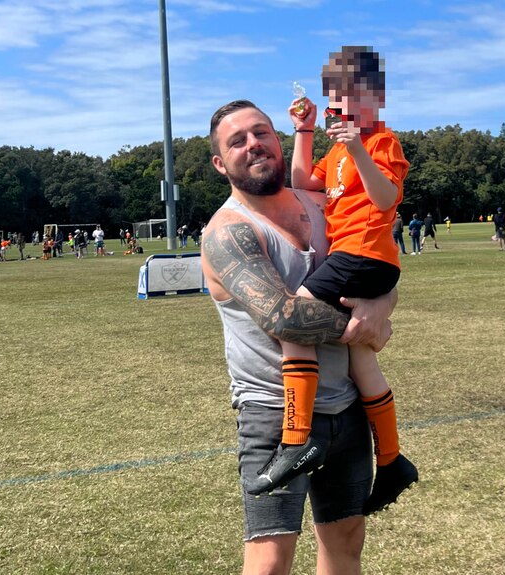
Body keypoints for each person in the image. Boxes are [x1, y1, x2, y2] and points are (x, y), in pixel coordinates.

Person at [202, 99, 397, 574]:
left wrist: (381, 305)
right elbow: (284, 318)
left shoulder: (319, 202)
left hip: (346, 409)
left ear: (276, 138)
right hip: (274, 413)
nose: (253, 145)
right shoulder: (228, 232)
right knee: (270, 560)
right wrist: (361, 327)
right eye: (237, 141)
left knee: (346, 542)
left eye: (261, 132)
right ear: (220, 162)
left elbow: (376, 265)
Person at [268, 46, 416, 503]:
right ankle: (392, 461)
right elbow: (300, 179)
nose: (343, 110)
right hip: (362, 260)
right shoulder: (335, 151)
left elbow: (386, 195)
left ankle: (296, 439)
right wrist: (305, 130)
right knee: (360, 357)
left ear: (376, 99)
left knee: (292, 321)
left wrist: (357, 147)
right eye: (335, 101)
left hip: (363, 253)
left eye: (352, 101)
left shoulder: (380, 141)